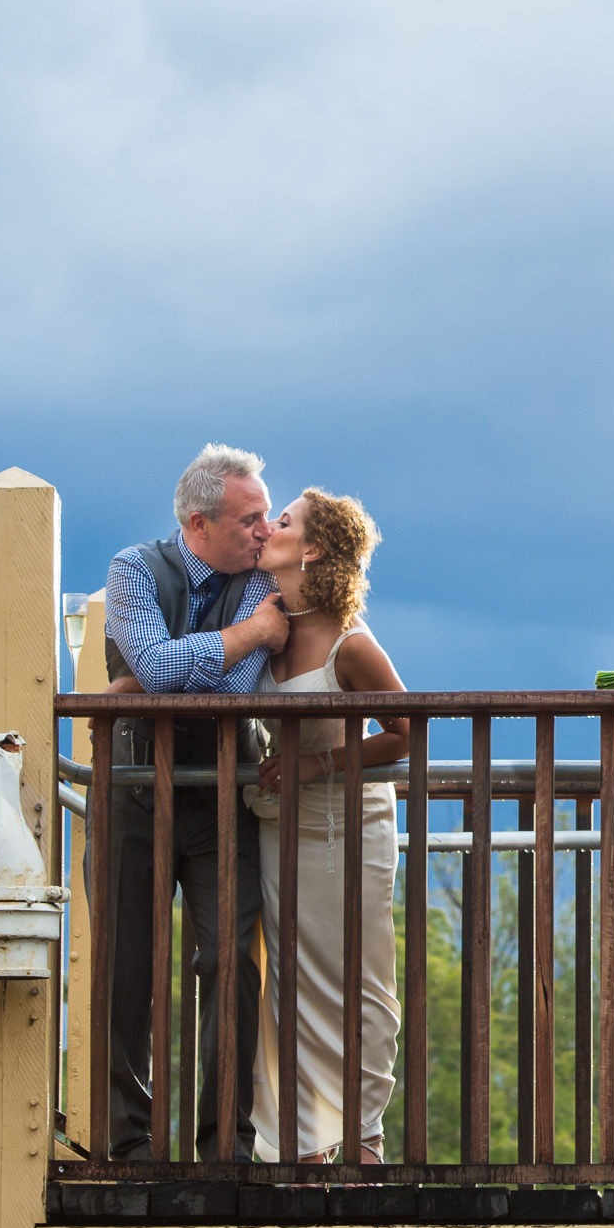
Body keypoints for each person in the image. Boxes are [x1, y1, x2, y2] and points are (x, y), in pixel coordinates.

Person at [97, 443, 294, 1161]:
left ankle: (225, 1148)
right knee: (126, 966)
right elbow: (154, 668)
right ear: (198, 521)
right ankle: (128, 1147)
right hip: (132, 792)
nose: (266, 531)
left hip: (222, 793)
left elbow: (230, 695)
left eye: (268, 517)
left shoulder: (255, 577)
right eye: (251, 519)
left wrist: (155, 683)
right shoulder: (132, 569)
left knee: (234, 960)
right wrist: (245, 638)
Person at [241, 488, 410, 1164]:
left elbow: (407, 732)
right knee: (289, 983)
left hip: (349, 823)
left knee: (361, 977)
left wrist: (322, 762)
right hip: (279, 827)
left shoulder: (350, 642)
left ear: (311, 548)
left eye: (281, 521)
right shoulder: (267, 622)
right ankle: (303, 1143)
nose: (267, 527)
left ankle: (363, 1135)